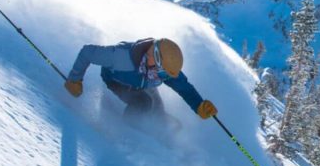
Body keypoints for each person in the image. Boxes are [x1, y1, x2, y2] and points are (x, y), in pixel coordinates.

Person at [63, 37, 217, 120]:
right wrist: (74, 79)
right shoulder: (120, 57)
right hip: (117, 81)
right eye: (163, 74)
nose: (164, 78)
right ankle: (127, 132)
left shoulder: (162, 69)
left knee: (156, 104)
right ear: (153, 56)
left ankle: (160, 120)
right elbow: (87, 52)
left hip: (143, 82)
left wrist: (199, 105)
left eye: (166, 76)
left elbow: (183, 87)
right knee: (144, 102)